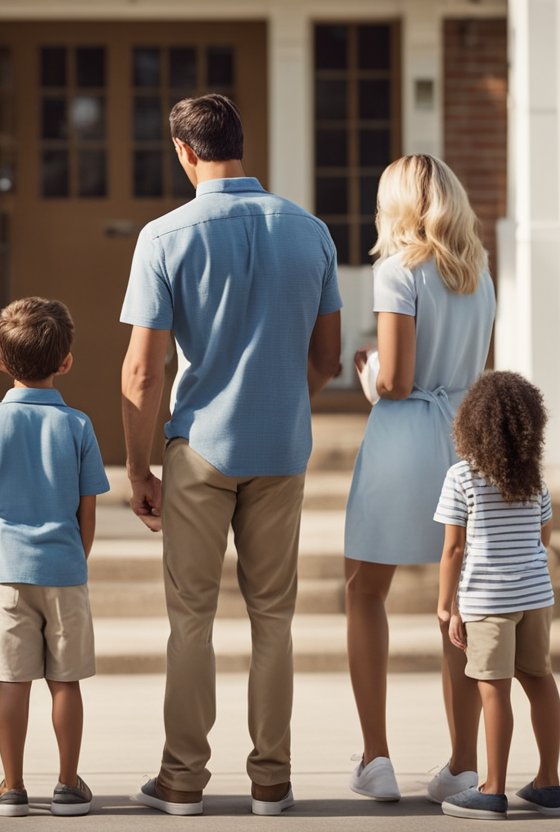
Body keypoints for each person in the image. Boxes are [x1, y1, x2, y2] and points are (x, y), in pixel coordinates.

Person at [120, 93, 342, 817]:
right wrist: (282, 395)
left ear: (186, 153)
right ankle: (271, 779)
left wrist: (138, 466)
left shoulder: (164, 236)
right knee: (272, 618)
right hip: (280, 446)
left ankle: (182, 779)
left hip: (201, 451)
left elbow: (142, 372)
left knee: (192, 617)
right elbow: (329, 356)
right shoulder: (309, 231)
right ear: (239, 145)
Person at [342, 154, 495, 803]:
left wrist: (367, 366)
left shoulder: (396, 271)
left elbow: (398, 381)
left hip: (406, 437)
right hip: (468, 437)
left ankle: (377, 759)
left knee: (365, 591)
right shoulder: (479, 273)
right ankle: (463, 764)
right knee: (456, 607)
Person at [0, 297, 110, 818]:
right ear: (65, 362)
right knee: (64, 682)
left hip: (7, 573)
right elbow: (87, 511)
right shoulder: (79, 427)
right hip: (65, 571)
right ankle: (68, 785)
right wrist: (77, 557)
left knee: (11, 678)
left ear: (0, 360)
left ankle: (12, 786)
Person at [435, 371, 560, 820]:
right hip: (535, 595)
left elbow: (453, 547)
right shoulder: (535, 480)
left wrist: (446, 605)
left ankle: (492, 790)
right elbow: (543, 537)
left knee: (494, 691)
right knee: (540, 680)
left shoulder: (462, 477)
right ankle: (548, 783)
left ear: (473, 422)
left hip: (488, 601)